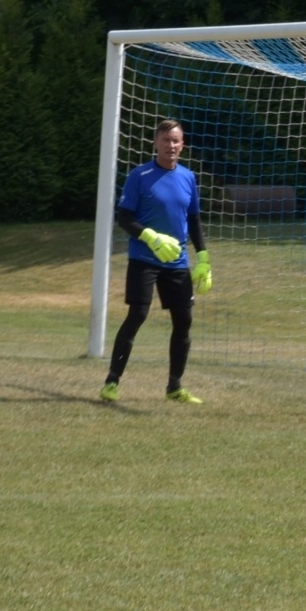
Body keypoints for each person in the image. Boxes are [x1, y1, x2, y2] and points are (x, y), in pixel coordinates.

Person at [101, 118, 212, 404]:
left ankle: (175, 387)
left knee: (184, 321)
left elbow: (194, 219)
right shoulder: (140, 175)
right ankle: (112, 382)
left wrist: (203, 258)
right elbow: (124, 218)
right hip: (144, 259)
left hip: (176, 262)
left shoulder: (188, 177)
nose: (171, 145)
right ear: (156, 143)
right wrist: (150, 237)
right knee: (137, 315)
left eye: (176, 140)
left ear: (182, 145)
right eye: (166, 140)